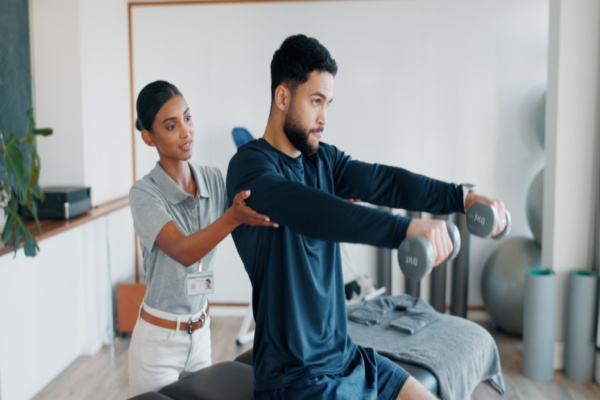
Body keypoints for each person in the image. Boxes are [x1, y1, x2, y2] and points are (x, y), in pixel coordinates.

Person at [226, 34, 507, 399]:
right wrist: (404, 229)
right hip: (295, 378)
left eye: (328, 104)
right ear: (282, 97)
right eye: (315, 101)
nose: (324, 118)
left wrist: (461, 197)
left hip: (347, 356)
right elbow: (312, 211)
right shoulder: (250, 168)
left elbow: (385, 181)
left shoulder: (323, 160)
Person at [127, 80, 278, 396]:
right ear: (149, 136)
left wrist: (326, 199)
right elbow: (183, 251)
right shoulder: (144, 193)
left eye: (187, 118)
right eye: (171, 126)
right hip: (158, 343)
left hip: (200, 333)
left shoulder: (212, 178)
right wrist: (232, 216)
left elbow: (260, 204)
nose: (186, 131)